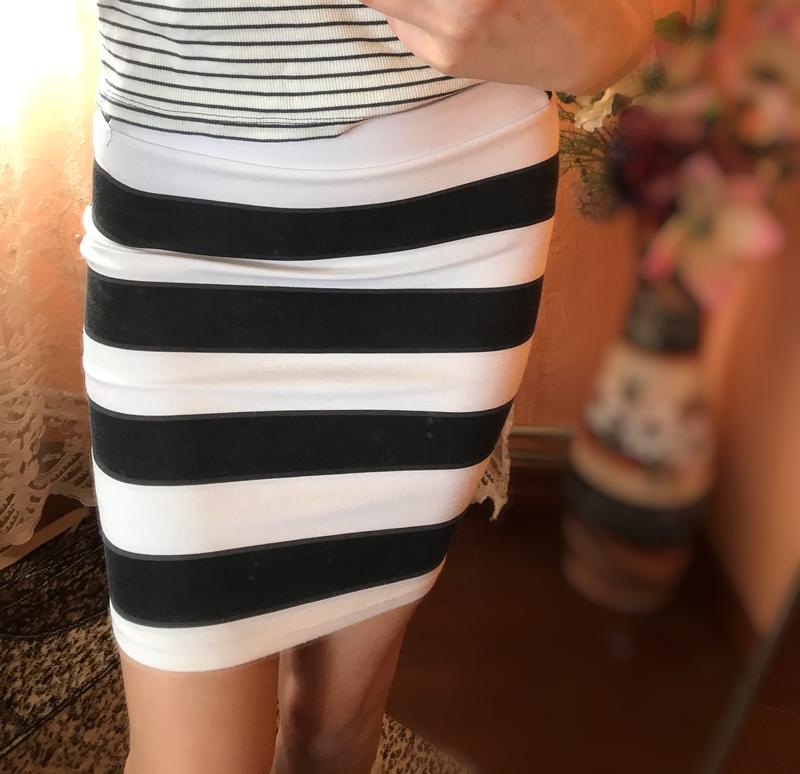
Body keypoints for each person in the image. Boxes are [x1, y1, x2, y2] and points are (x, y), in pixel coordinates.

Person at [80, 2, 654, 772]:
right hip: (184, 222)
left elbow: (619, 27)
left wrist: (602, 34)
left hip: (455, 216)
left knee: (335, 726)